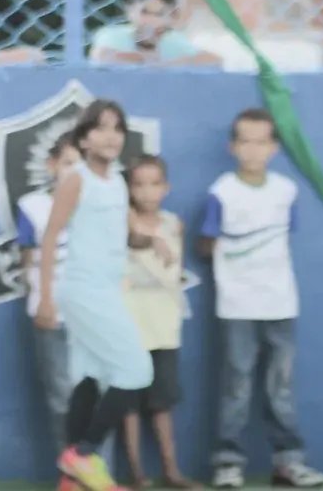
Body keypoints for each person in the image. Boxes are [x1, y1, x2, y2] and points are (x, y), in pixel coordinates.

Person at [198, 110, 323, 489]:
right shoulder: (221, 192)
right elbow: (206, 245)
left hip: (281, 303)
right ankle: (227, 464)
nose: (253, 149)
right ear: (233, 147)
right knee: (236, 385)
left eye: (262, 141)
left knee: (281, 387)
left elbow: (286, 237)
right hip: (237, 306)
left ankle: (288, 463)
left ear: (273, 148)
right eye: (245, 141)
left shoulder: (286, 191)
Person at [36, 99, 153, 491]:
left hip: (106, 289)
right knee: (137, 371)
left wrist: (145, 239)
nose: (110, 136)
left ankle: (70, 480)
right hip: (83, 291)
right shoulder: (77, 179)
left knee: (88, 378)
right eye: (100, 128)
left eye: (117, 128)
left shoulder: (117, 181)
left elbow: (117, 235)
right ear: (84, 139)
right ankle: (83, 454)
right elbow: (51, 235)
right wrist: (46, 298)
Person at [121, 156, 198, 489]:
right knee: (129, 405)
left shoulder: (174, 223)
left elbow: (172, 269)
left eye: (154, 183)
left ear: (166, 188)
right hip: (128, 327)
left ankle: (171, 471)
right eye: (138, 184)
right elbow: (133, 240)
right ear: (127, 188)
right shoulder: (123, 222)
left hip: (165, 328)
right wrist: (150, 240)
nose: (147, 191)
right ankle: (137, 474)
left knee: (162, 402)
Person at [16, 132, 79, 455]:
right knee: (61, 396)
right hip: (51, 313)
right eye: (68, 162)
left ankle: (100, 475)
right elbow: (29, 261)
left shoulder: (104, 206)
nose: (74, 170)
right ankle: (72, 473)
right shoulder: (33, 207)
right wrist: (43, 299)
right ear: (51, 165)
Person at [89, 0, 222, 67]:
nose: (151, 21)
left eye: (159, 14)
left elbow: (214, 60)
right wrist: (149, 60)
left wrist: (166, 66)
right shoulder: (114, 35)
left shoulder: (172, 42)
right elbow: (103, 56)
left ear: (172, 17)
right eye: (145, 12)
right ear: (130, 11)